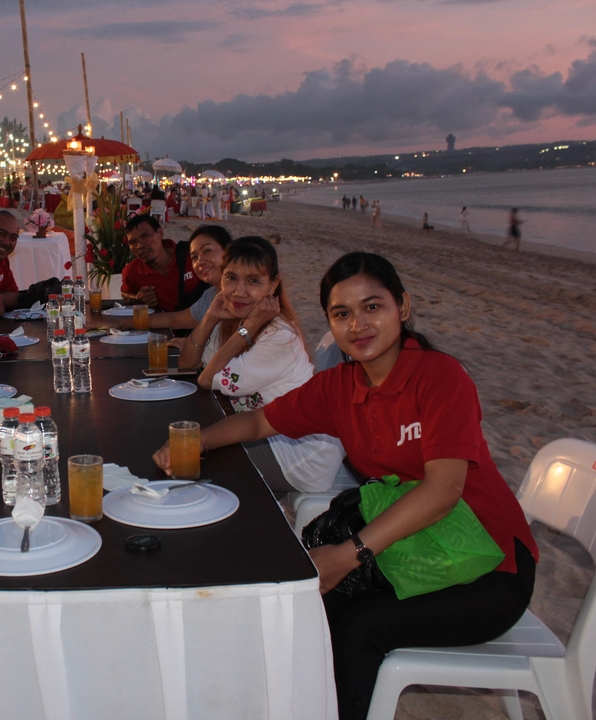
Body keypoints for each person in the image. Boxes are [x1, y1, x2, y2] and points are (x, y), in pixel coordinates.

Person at [152, 251, 538, 720]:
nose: (358, 324)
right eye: (341, 314)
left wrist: (348, 553)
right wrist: (194, 443)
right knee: (303, 598)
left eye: (373, 306)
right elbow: (258, 422)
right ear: (331, 325)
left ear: (404, 307)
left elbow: (442, 491)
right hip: (407, 545)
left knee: (356, 626)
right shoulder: (341, 385)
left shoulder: (440, 377)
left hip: (489, 565)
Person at [177, 236, 342, 492]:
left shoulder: (278, 337)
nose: (239, 291)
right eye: (231, 277)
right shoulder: (233, 316)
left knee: (192, 470)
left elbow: (206, 379)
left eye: (253, 281)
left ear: (273, 285)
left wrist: (249, 329)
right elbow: (187, 363)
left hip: (296, 453)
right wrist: (210, 317)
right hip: (261, 433)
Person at [121, 225, 232, 333]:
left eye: (207, 251)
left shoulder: (240, 293)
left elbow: (238, 339)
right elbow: (174, 320)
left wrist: (193, 344)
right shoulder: (211, 296)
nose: (200, 261)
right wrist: (118, 323)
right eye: (194, 257)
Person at [120, 214, 203, 312]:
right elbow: (125, 293)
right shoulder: (133, 271)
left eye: (145, 236)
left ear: (160, 233)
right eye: (133, 242)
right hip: (168, 324)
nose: (139, 245)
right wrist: (138, 299)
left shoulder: (190, 254)